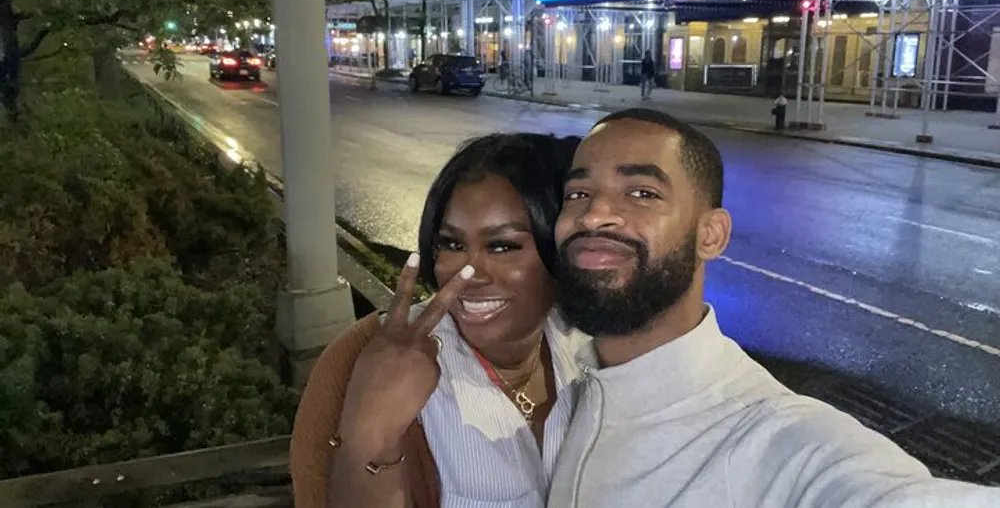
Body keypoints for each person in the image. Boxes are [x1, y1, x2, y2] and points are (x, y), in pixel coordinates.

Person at [547, 107, 998, 507]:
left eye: (643, 193)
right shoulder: (563, 370)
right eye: (578, 194)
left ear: (711, 235)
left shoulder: (774, 440)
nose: (593, 215)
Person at [289, 132, 588, 508]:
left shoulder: (593, 348)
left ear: (560, 247)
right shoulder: (361, 359)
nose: (468, 273)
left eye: (502, 246)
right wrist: (370, 434)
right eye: (451, 244)